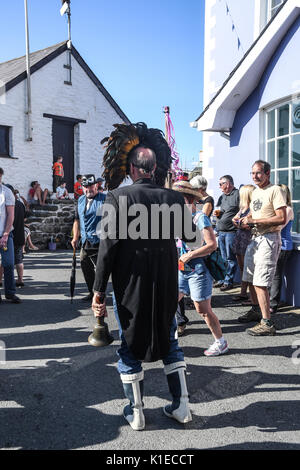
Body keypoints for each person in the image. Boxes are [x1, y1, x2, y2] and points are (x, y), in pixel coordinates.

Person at [92, 122, 199, 430]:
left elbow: (107, 250)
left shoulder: (116, 198)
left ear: (132, 169)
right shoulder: (175, 198)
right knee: (169, 340)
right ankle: (182, 406)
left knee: (128, 342)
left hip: (130, 285)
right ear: (154, 168)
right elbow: (191, 239)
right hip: (165, 283)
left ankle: (136, 411)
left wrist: (98, 292)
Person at [173, 180, 228, 356]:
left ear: (188, 199)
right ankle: (168, 338)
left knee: (203, 310)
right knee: (169, 303)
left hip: (198, 269)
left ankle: (221, 342)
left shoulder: (200, 218)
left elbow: (212, 245)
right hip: (182, 269)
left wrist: (190, 255)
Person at [238, 160, 287, 336]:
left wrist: (254, 221)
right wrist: (245, 220)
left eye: (258, 173)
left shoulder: (276, 190)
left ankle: (267, 323)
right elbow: (255, 212)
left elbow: (281, 218)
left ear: (268, 173)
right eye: (252, 173)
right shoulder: (257, 191)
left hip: (269, 239)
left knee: (260, 282)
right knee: (250, 277)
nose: (254, 176)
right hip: (255, 238)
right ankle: (256, 310)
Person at [71, 174, 106, 301]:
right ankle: (92, 292)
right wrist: (75, 237)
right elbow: (76, 220)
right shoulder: (80, 200)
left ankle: (100, 294)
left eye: (91, 186)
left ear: (96, 186)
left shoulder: (105, 199)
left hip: (100, 242)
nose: (88, 189)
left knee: (102, 271)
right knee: (85, 265)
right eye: (85, 187)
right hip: (85, 241)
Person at [269, 184, 294, 314]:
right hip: (276, 244)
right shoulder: (279, 209)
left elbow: (279, 226)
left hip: (283, 246)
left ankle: (273, 303)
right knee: (273, 275)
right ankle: (271, 300)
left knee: (276, 275)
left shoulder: (288, 210)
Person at [213, 175, 240, 291]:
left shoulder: (238, 195)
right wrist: (217, 214)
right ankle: (222, 279)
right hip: (221, 231)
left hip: (231, 232)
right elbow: (220, 210)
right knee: (223, 258)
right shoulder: (222, 197)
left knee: (230, 258)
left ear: (227, 184)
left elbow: (243, 209)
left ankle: (229, 281)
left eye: (221, 184)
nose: (219, 187)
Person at [0, 169, 21, 303]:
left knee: (8, 263)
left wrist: (6, 234)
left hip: (5, 234)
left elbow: (10, 215)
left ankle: (10, 292)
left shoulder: (6, 192)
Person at [232, 184, 255, 303]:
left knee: (249, 269)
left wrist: (239, 223)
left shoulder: (253, 208)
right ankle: (243, 292)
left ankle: (252, 297)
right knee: (242, 268)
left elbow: (248, 226)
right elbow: (234, 220)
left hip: (247, 240)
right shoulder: (243, 208)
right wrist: (239, 223)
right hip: (240, 239)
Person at [5, 185, 26, 287]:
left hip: (9, 234)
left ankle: (0, 280)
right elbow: (25, 218)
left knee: (4, 260)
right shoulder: (20, 204)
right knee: (19, 259)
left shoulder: (6, 204)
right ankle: (20, 280)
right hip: (20, 234)